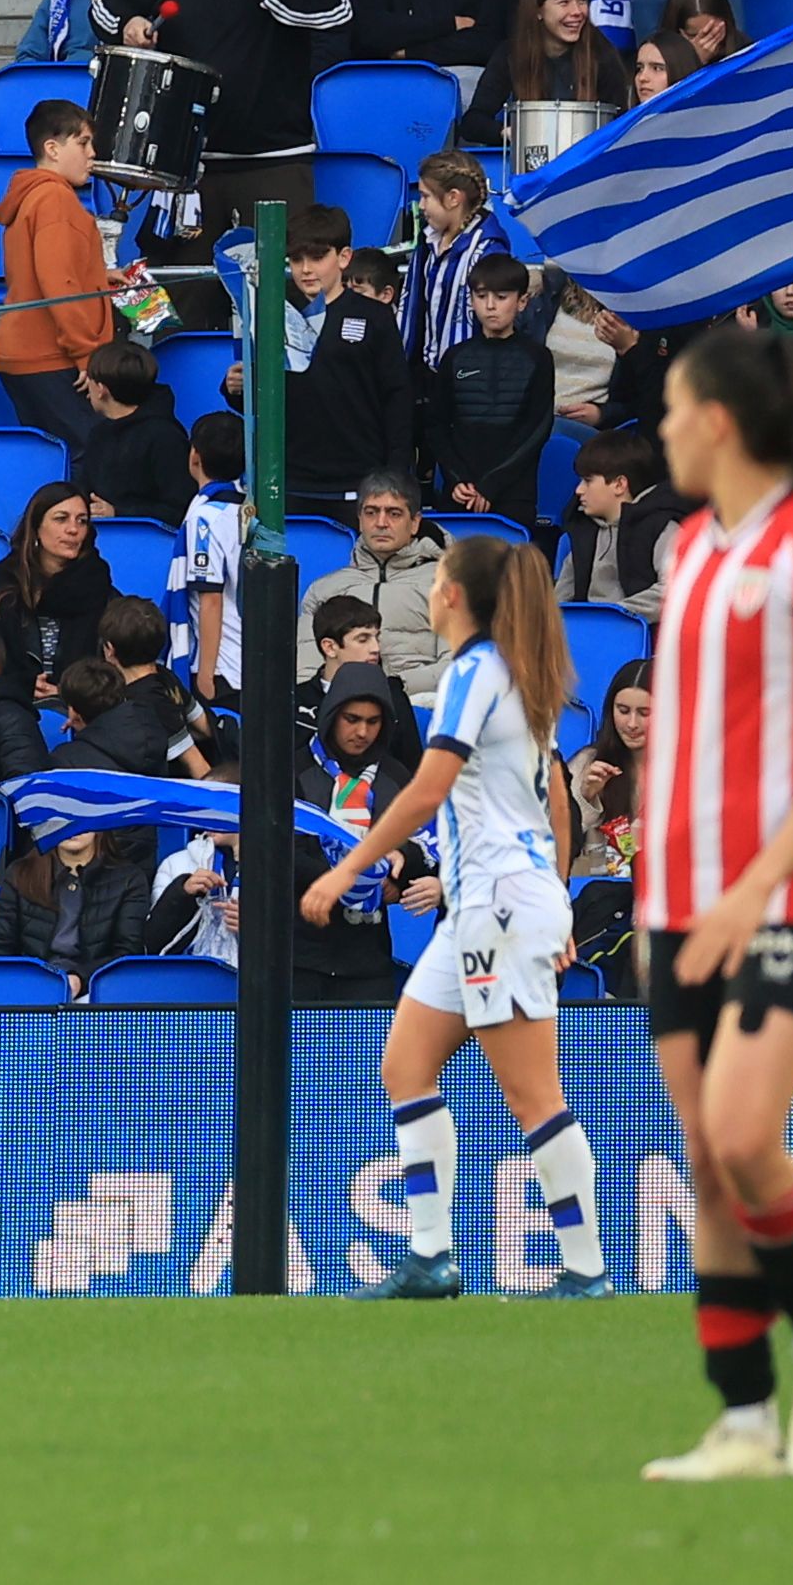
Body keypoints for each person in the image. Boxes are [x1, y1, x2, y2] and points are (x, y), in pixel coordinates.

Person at [631, 318, 793, 1482]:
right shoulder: (688, 548)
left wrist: (757, 889)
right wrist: (656, 897)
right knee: (705, 1154)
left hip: (791, 892)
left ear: (720, 420)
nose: (665, 427)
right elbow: (678, 735)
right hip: (681, 893)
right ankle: (740, 1418)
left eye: (677, 408)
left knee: (742, 1133)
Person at [299, 532, 610, 1298]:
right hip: (490, 905)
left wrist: (343, 868)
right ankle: (431, 1257)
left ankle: (585, 1268)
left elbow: (427, 789)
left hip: (498, 905)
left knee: (533, 1095)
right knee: (405, 1065)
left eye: (438, 581)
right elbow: (555, 803)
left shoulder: (476, 670)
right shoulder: (520, 672)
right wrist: (559, 906)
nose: (431, 594)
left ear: (458, 599)